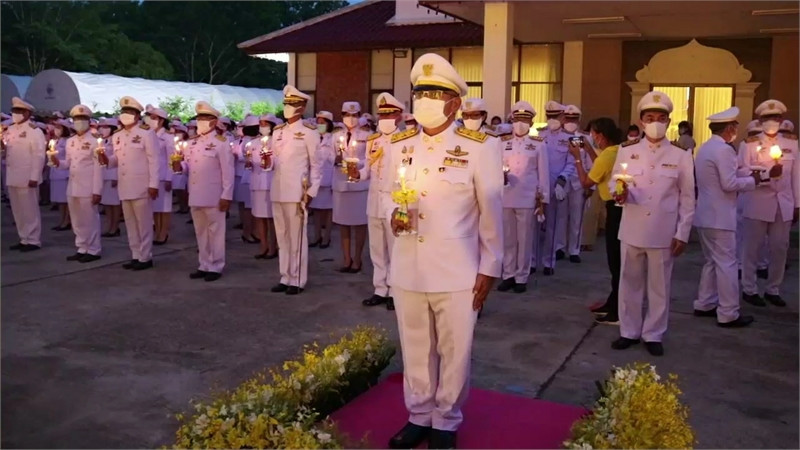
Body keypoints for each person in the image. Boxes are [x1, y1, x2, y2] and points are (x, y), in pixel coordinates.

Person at [386, 53, 503, 450]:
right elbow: (388, 196)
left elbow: (491, 212)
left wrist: (490, 266)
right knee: (416, 346)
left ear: (455, 104)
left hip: (457, 270)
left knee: (455, 350)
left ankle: (446, 422)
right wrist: (392, 216)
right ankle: (419, 414)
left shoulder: (481, 147)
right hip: (408, 266)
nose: (424, 101)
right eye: (420, 93)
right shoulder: (397, 144)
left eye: (434, 94)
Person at [609, 91, 695, 356]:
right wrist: (619, 192)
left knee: (659, 286)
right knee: (629, 283)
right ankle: (629, 330)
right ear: (641, 121)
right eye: (650, 117)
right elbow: (616, 182)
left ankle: (654, 333)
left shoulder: (681, 156)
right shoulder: (627, 151)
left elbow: (688, 197)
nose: (655, 122)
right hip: (632, 227)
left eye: (661, 117)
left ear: (669, 121)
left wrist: (682, 232)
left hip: (663, 231)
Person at [693, 106, 757, 327]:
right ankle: (729, 312)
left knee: (712, 261)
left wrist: (751, 174)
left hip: (704, 215)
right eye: (735, 126)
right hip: (720, 217)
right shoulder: (724, 150)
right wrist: (753, 182)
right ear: (730, 128)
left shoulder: (705, 148)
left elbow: (727, 175)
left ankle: (705, 302)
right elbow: (729, 183)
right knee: (727, 264)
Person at [739, 99, 799, 307]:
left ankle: (773, 288)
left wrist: (797, 203)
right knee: (752, 248)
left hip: (783, 202)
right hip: (757, 201)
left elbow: (796, 176)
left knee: (780, 248)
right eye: (767, 119)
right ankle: (749, 288)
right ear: (760, 120)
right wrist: (765, 173)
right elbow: (742, 171)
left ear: (782, 120)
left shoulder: (791, 143)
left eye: (775, 118)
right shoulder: (749, 144)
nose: (771, 122)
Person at [569, 118, 624, 325]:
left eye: (593, 135)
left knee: (615, 261)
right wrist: (589, 151)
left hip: (615, 210)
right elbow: (600, 161)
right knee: (617, 260)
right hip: (618, 209)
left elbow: (586, 182)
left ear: (600, 135)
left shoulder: (608, 155)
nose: (592, 138)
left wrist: (577, 158)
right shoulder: (616, 150)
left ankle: (618, 308)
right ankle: (613, 301)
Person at [173, 101, 235, 282]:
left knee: (215, 232)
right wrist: (178, 164)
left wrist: (226, 195)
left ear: (214, 121)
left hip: (214, 195)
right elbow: (187, 167)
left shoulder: (221, 143)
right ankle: (204, 264)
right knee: (200, 232)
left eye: (205, 118)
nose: (200, 121)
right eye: (199, 117)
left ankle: (216, 266)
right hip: (195, 194)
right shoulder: (192, 143)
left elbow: (228, 172)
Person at [268, 85, 322, 295]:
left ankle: (297, 279)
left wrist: (312, 191)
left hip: (297, 191)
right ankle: (285, 276)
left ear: (302, 107)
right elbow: (272, 161)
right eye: (286, 104)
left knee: (297, 237)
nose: (288, 107)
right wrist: (265, 161)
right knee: (282, 236)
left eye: (292, 104)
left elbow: (316, 165)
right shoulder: (277, 132)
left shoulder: (308, 132)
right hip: (278, 190)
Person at [354, 92, 404, 311]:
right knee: (377, 248)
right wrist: (357, 173)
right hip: (374, 199)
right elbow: (368, 169)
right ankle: (380, 288)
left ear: (399, 116)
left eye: (389, 114)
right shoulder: (372, 140)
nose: (384, 118)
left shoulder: (407, 140)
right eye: (381, 114)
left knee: (396, 248)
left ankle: (395, 290)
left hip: (395, 201)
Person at [98, 96, 159, 271]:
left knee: (144, 223)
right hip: (125, 185)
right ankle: (135, 255)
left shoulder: (146, 134)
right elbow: (117, 159)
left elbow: (154, 161)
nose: (126, 115)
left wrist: (153, 184)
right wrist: (105, 159)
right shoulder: (117, 135)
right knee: (131, 224)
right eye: (124, 112)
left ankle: (145, 257)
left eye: (130, 112)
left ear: (137, 116)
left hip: (141, 185)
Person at [496, 101, 548, 294]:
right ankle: (508, 274)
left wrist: (543, 199)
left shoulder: (538, 145)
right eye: (517, 119)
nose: (520, 124)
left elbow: (543, 172)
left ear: (531, 122)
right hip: (506, 195)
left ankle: (521, 276)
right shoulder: (502, 143)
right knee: (508, 238)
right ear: (512, 120)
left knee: (524, 239)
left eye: (525, 120)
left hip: (527, 197)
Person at [51, 104, 103, 262]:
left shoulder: (95, 140)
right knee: (77, 219)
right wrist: (56, 162)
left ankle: (93, 249)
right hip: (73, 186)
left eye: (82, 119)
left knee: (90, 219)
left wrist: (97, 190)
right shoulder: (71, 141)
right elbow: (68, 163)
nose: (79, 122)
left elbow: (98, 167)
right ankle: (81, 247)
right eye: (76, 119)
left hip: (88, 186)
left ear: (88, 121)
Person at [534, 100, 575, 275]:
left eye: (555, 116)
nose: (552, 119)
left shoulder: (570, 138)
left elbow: (571, 163)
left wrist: (563, 179)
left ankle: (549, 262)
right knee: (534, 226)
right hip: (537, 186)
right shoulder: (538, 135)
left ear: (563, 117)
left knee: (552, 225)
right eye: (549, 116)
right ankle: (532, 262)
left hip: (557, 185)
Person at [332, 102, 370, 273]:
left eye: (355, 115)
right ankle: (346, 258)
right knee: (343, 224)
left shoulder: (367, 135)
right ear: (342, 115)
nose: (351, 118)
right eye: (348, 114)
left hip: (359, 185)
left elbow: (370, 159)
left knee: (360, 223)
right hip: (341, 183)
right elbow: (325, 155)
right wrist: (336, 159)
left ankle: (357, 258)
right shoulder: (335, 136)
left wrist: (356, 164)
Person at [5, 97, 46, 251]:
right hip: (13, 175)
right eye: (14, 111)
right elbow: (7, 153)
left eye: (19, 111)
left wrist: (34, 176)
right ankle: (23, 238)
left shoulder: (34, 131)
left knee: (30, 210)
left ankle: (33, 240)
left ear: (27, 113)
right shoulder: (10, 129)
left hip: (27, 176)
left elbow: (39, 155)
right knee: (18, 210)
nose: (15, 114)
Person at [561, 104, 593, 263]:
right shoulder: (556, 136)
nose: (570, 121)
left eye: (574, 119)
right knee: (560, 217)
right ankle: (559, 247)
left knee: (576, 218)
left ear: (579, 120)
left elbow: (590, 162)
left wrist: (590, 186)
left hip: (580, 182)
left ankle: (574, 249)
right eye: (568, 118)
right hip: (561, 182)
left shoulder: (585, 138)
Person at [736, 120, 768, 278]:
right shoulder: (745, 147)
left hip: (764, 196)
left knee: (763, 236)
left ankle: (761, 264)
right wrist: (754, 176)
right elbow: (740, 170)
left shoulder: (768, 148)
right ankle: (741, 265)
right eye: (753, 135)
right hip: (747, 195)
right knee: (743, 234)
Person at [247, 115, 278, 259]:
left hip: (271, 183)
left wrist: (268, 161)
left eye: (266, 124)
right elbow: (250, 158)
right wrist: (249, 163)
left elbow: (278, 161)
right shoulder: (253, 143)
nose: (263, 126)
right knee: (260, 216)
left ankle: (273, 247)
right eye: (261, 124)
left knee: (271, 218)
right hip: (257, 183)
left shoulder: (276, 142)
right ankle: (263, 246)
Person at [146, 106, 174, 245]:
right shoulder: (148, 134)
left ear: (161, 121)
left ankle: (163, 233)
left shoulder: (167, 137)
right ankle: (157, 232)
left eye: (153, 118)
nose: (150, 120)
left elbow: (171, 159)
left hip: (163, 176)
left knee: (165, 208)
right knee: (155, 208)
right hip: (152, 177)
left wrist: (169, 178)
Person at [310, 111, 335, 249]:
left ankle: (327, 237)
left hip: (328, 177)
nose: (320, 125)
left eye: (323, 122)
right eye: (318, 122)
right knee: (316, 209)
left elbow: (333, 158)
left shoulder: (333, 139)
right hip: (315, 178)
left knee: (328, 209)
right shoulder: (313, 138)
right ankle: (317, 236)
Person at [233, 116, 258, 244]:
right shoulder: (250, 142)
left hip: (246, 176)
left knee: (248, 206)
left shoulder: (249, 141)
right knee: (249, 207)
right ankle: (248, 232)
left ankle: (250, 232)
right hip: (248, 176)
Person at [98, 118, 122, 237]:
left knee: (114, 203)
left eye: (107, 127)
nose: (103, 129)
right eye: (103, 127)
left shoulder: (116, 139)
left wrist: (116, 177)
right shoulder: (103, 140)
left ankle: (115, 227)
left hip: (113, 174)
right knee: (106, 203)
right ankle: (109, 225)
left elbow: (118, 158)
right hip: (104, 174)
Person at [50, 118, 72, 231]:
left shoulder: (68, 141)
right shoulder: (56, 141)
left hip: (64, 173)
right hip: (56, 172)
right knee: (60, 200)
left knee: (65, 200)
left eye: (59, 127)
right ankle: (62, 219)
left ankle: (67, 220)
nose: (56, 129)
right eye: (56, 127)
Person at [171, 123, 191, 215]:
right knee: (177, 188)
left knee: (184, 189)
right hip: (175, 166)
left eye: (180, 132)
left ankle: (186, 206)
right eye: (177, 132)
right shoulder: (174, 143)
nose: (178, 134)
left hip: (185, 167)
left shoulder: (188, 142)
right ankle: (181, 206)